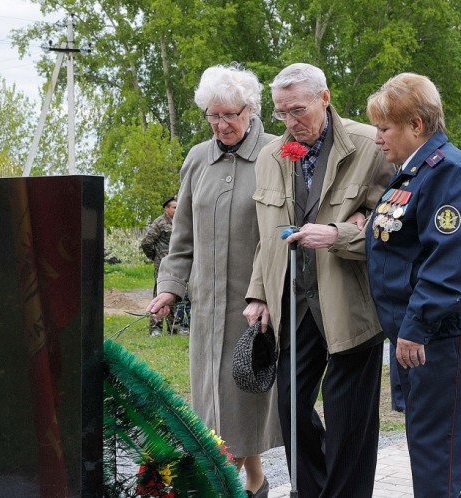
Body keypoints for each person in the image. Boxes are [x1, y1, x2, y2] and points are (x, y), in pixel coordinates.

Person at [242, 63, 394, 498]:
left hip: (350, 303)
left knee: (351, 417)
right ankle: (312, 490)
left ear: (325, 99)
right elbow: (266, 236)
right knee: (291, 405)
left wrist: (339, 233)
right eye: (281, 112)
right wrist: (259, 294)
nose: (290, 122)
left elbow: (391, 225)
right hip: (294, 301)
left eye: (299, 110)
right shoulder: (271, 157)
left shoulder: (370, 145)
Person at [147, 64, 281, 497]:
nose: (222, 124)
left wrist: (264, 294)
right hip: (206, 311)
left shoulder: (276, 155)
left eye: (230, 115)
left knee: (241, 404)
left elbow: (280, 235)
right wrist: (170, 286)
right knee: (215, 408)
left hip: (254, 309)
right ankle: (255, 484)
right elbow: (181, 236)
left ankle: (216, 488)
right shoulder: (197, 159)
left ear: (251, 110)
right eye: (213, 115)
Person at [364, 72, 461, 498]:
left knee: (438, 452)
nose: (378, 139)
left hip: (445, 333)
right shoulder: (416, 171)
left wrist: (415, 326)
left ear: (416, 126)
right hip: (425, 331)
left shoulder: (447, 172)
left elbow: (447, 263)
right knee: (426, 443)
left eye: (384, 129)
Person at [141, 196, 177, 337]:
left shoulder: (179, 222)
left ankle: (174, 327)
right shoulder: (159, 222)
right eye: (174, 207)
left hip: (176, 264)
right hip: (162, 265)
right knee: (160, 294)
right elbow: (146, 243)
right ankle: (155, 328)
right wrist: (156, 256)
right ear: (166, 208)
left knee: (175, 293)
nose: (177, 210)